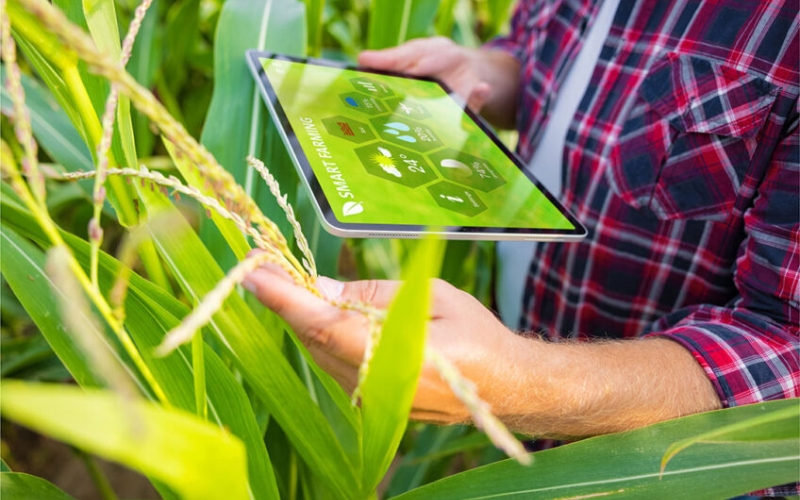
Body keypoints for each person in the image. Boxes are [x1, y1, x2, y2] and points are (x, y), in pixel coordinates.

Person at [243, 0, 798, 490]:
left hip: (658, 473)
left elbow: (786, 352)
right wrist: (483, 70)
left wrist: (517, 381)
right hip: (518, 376)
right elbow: (544, 52)